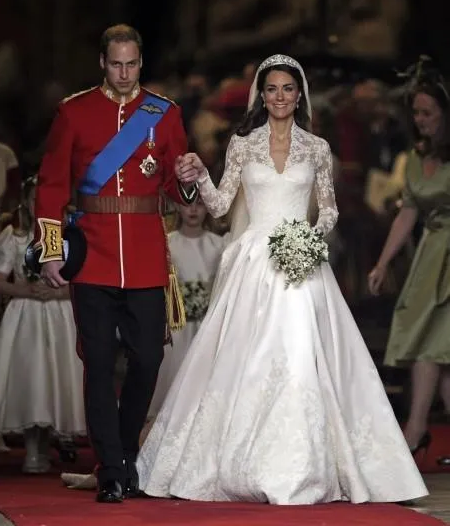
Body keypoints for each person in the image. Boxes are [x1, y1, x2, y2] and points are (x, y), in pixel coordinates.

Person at [136, 54, 427, 505]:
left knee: (299, 353)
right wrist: (195, 177)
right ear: (261, 95)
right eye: (271, 89)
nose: (279, 97)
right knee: (245, 358)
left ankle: (302, 464)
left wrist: (308, 240)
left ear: (299, 94)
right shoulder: (242, 145)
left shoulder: (316, 148)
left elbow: (328, 208)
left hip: (300, 263)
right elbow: (218, 205)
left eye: (287, 89)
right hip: (253, 263)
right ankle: (240, 460)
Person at [33, 24, 197, 503]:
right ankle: (110, 468)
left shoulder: (164, 114)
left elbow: (174, 183)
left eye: (132, 64)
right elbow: (51, 185)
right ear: (102, 63)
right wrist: (49, 249)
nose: (124, 74)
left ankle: (126, 451)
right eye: (115, 64)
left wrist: (186, 180)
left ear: (140, 62)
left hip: (145, 255)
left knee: (149, 358)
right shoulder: (74, 111)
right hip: (93, 256)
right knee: (99, 363)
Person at [368, 58, 450, 461]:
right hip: (430, 256)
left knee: (437, 344)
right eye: (416, 113)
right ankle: (419, 429)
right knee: (435, 346)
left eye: (428, 113)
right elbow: (409, 211)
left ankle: (416, 428)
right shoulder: (417, 155)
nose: (420, 120)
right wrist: (383, 263)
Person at [0, 177, 86, 473]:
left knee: (54, 377)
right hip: (27, 316)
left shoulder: (72, 236)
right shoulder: (16, 237)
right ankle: (32, 449)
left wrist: (59, 292)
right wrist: (26, 290)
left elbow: (82, 278)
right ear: (27, 203)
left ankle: (47, 445)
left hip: (59, 316)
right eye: (36, 200)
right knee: (31, 377)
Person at [148, 199, 226, 417]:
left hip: (206, 326)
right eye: (187, 204)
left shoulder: (219, 245)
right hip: (175, 326)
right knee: (172, 379)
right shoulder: (168, 244)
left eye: (200, 205)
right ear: (178, 207)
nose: (193, 210)